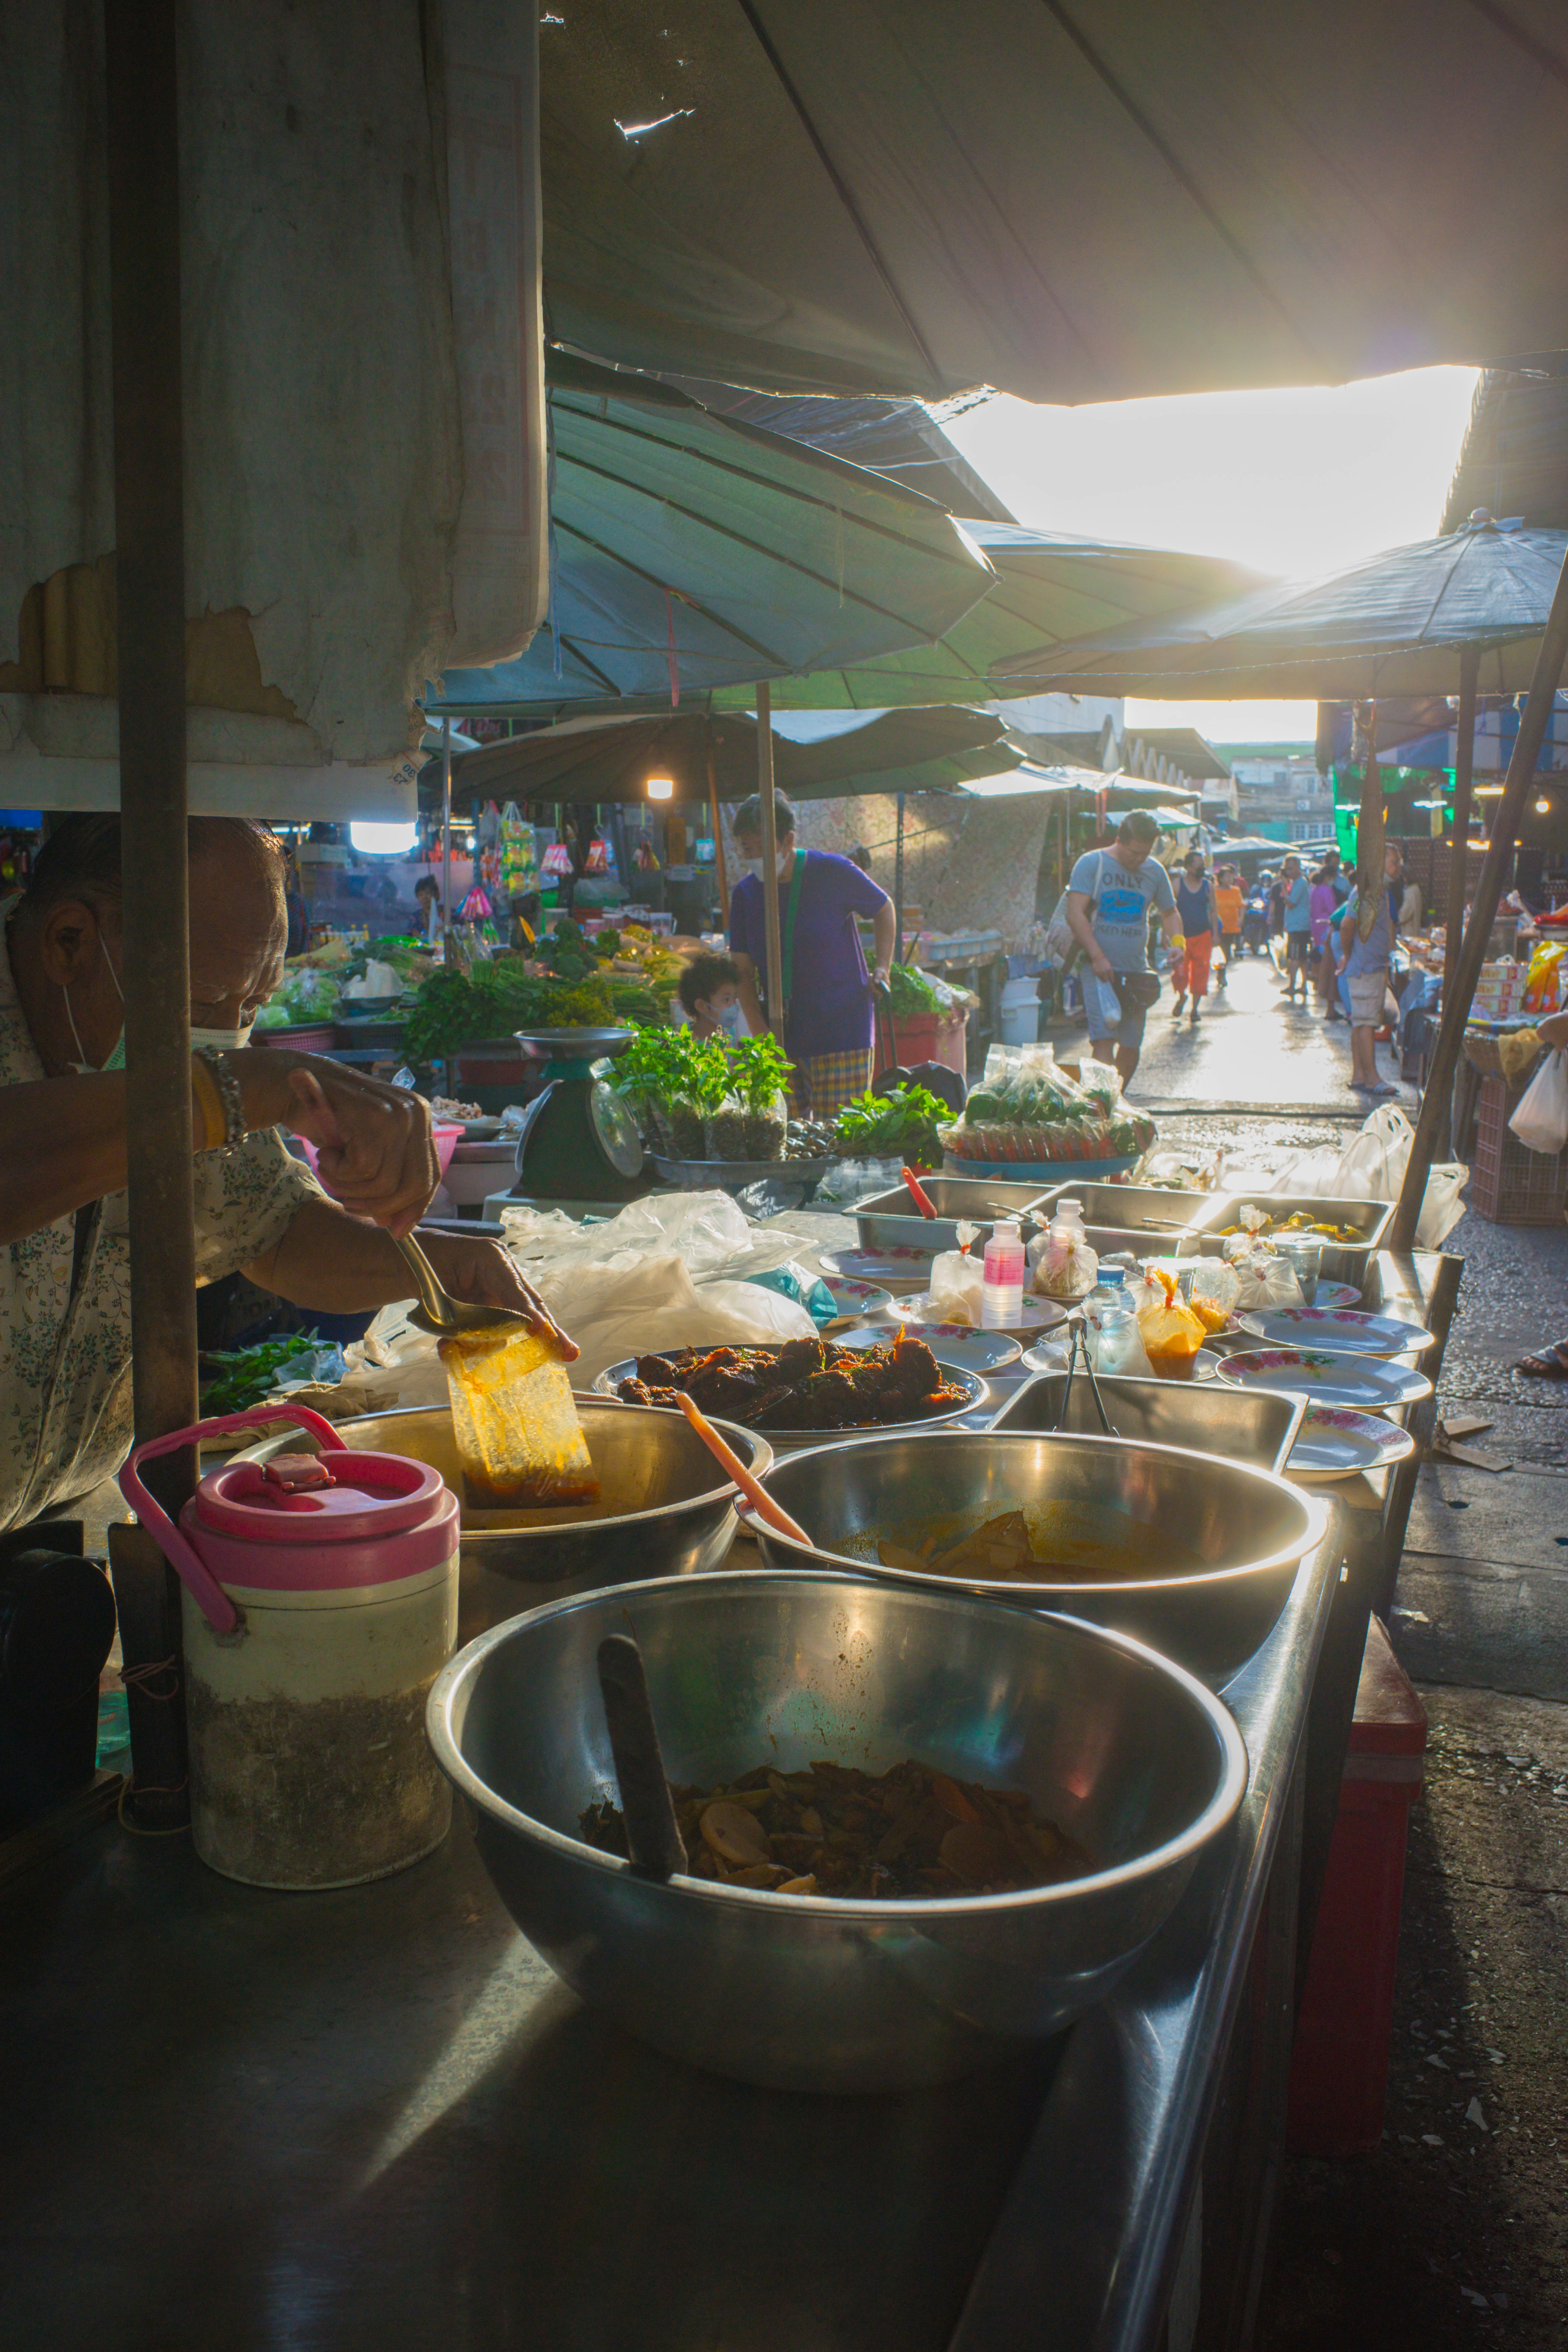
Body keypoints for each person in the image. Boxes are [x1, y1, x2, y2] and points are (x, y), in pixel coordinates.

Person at [0, 815, 570, 1536]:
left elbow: (273, 1231)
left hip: (70, 1513)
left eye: (251, 1007)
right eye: (205, 1005)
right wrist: (232, 1087)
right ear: (69, 942)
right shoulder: (208, 1086)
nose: (228, 1034)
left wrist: (438, 1265)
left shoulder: (197, 1073)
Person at [727, 793, 895, 1116]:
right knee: (785, 1139)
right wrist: (761, 1033)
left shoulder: (831, 871)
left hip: (841, 1030)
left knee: (841, 1137)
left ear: (788, 840)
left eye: (762, 847)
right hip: (780, 1034)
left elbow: (883, 908)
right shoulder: (746, 894)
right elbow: (742, 972)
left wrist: (884, 968)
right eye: (747, 849)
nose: (754, 856)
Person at [1064, 811, 1183, 1085]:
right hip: (1098, 968)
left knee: (1131, 1045)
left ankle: (1115, 1100)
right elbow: (1075, 913)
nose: (1138, 860)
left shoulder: (1154, 870)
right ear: (1119, 840)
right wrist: (1097, 956)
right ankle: (1101, 1108)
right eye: (1133, 853)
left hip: (1136, 971)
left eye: (1144, 853)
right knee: (1104, 1039)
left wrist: (1178, 943)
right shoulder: (1092, 863)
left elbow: (1170, 913)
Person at [1334, 842, 1404, 1096]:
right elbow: (1347, 925)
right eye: (1394, 861)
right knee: (1366, 1022)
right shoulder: (1366, 891)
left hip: (1370, 964)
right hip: (1365, 966)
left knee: (1360, 1022)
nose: (1398, 867)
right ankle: (1373, 1078)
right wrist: (1348, 955)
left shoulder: (1379, 891)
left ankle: (1360, 1075)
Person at [1170, 849, 1218, 1024]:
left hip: (1203, 936)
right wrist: (1166, 935)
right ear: (1190, 867)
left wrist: (1216, 934)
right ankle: (1182, 997)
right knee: (1180, 974)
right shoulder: (1177, 885)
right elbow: (1169, 912)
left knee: (1201, 973)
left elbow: (1213, 910)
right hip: (1181, 938)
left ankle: (1195, 1010)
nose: (1202, 869)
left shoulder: (1208, 886)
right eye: (1199, 866)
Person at [676, 950, 748, 1042]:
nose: (734, 1006)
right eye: (726, 1000)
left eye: (734, 999)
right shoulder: (687, 1043)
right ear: (701, 1006)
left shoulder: (729, 1035)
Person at [1279, 855, 1313, 1002]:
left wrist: (1284, 889)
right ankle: (1303, 986)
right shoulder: (1299, 883)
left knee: (1295, 958)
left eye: (1291, 868)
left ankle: (1293, 986)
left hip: (1298, 927)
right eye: (1287, 869)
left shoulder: (1300, 883)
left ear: (1298, 867)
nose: (1289, 872)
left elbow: (1291, 903)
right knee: (1302, 958)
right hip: (1301, 925)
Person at [1310, 864, 1341, 1013]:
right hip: (1326, 928)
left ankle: (1318, 982)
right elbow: (1333, 911)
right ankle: (1326, 991)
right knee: (1328, 963)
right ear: (1330, 877)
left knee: (1321, 959)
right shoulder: (1326, 890)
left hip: (1316, 927)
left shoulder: (1315, 890)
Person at [1213, 865, 1243, 984]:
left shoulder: (1236, 891)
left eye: (1232, 877)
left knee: (1226, 952)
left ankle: (1221, 973)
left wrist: (1241, 919)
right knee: (1221, 951)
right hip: (1219, 926)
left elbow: (1241, 906)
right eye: (1227, 877)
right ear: (1221, 879)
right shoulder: (1214, 891)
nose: (1230, 879)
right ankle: (1221, 975)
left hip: (1232, 926)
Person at [414, 873, 443, 944]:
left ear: (436, 894)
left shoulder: (449, 913)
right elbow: (415, 938)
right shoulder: (415, 917)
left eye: (428, 893)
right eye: (421, 895)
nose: (425, 897)